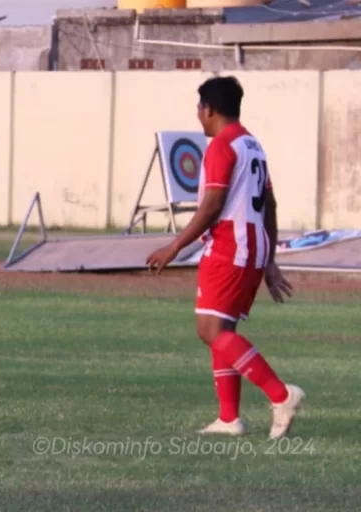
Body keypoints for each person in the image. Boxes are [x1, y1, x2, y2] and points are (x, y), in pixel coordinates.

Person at [146, 76, 304, 440]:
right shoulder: (253, 145)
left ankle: (281, 395)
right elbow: (271, 205)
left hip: (230, 247)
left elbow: (213, 205)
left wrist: (174, 247)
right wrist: (270, 259)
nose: (198, 116)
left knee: (210, 330)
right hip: (252, 246)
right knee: (222, 329)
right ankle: (229, 418)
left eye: (199, 109)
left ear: (208, 109)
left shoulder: (222, 146)